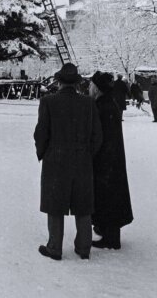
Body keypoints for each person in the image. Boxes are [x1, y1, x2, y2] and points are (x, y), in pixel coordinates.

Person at [34, 63, 102, 261]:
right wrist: (88, 154)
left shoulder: (48, 101)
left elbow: (41, 133)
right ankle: (84, 248)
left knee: (55, 203)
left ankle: (54, 247)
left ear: (59, 81)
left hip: (56, 159)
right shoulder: (88, 103)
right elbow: (97, 136)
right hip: (82, 160)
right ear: (77, 83)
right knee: (83, 205)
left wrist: (43, 153)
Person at [89, 71, 133, 250]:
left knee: (107, 197)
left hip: (106, 160)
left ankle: (110, 237)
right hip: (112, 159)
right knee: (111, 196)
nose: (89, 88)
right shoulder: (108, 103)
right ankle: (108, 232)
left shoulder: (101, 106)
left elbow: (99, 136)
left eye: (91, 85)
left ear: (98, 88)